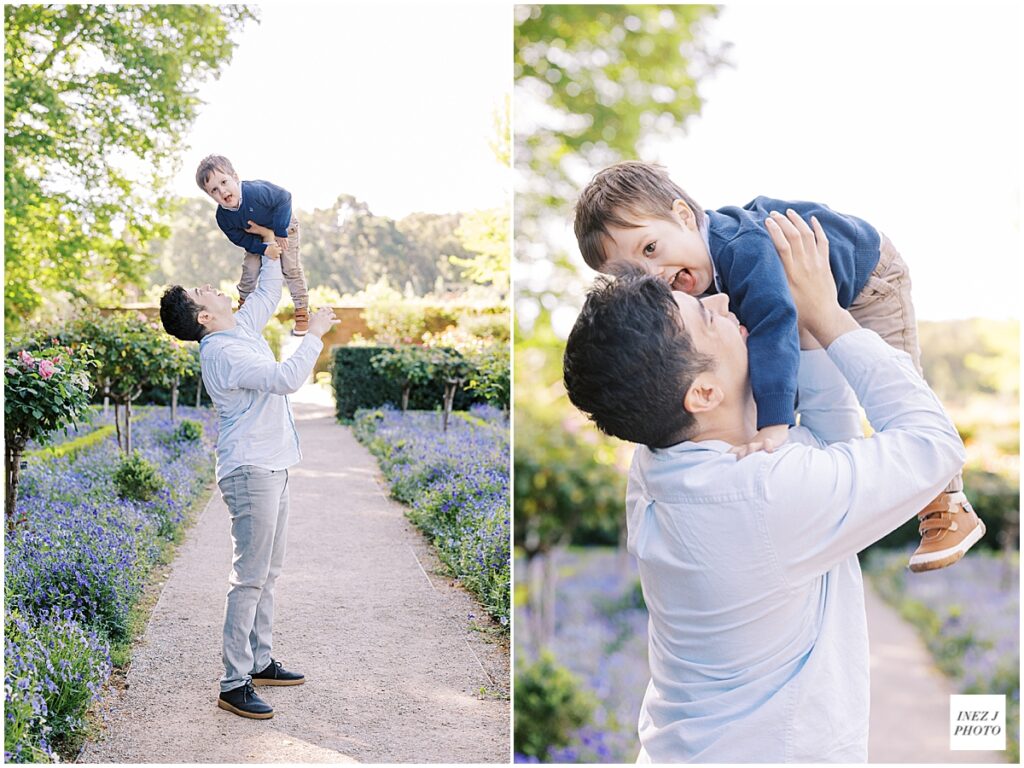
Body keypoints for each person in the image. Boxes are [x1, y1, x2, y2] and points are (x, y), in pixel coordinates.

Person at [562, 210, 969, 762]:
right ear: (702, 394)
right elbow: (934, 445)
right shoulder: (765, 497)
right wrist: (828, 317)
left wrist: (800, 333)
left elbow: (823, 445)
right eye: (708, 320)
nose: (726, 303)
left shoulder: (661, 465)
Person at [573, 160, 983, 572]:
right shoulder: (691, 279)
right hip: (817, 296)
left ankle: (949, 506)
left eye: (650, 249)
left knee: (899, 381)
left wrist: (775, 423)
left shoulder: (741, 249)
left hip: (869, 278)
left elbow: (775, 325)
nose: (655, 275)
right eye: (633, 273)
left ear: (684, 216)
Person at [159, 225, 338, 719]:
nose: (214, 289)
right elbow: (285, 379)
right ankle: (233, 682)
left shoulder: (236, 329)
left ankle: (259, 661)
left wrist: (274, 254)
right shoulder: (224, 352)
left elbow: (266, 292)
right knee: (249, 578)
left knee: (268, 573)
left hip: (273, 465)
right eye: (204, 292)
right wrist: (314, 335)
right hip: (251, 470)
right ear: (202, 316)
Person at [196, 154, 311, 336]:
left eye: (224, 182)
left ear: (235, 176)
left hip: (284, 225)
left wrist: (279, 231)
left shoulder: (255, 191)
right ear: (209, 195)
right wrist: (263, 248)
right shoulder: (223, 217)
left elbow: (284, 198)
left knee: (291, 268)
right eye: (214, 190)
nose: (222, 191)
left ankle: (302, 311)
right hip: (255, 236)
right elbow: (239, 239)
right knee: (249, 269)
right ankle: (244, 307)